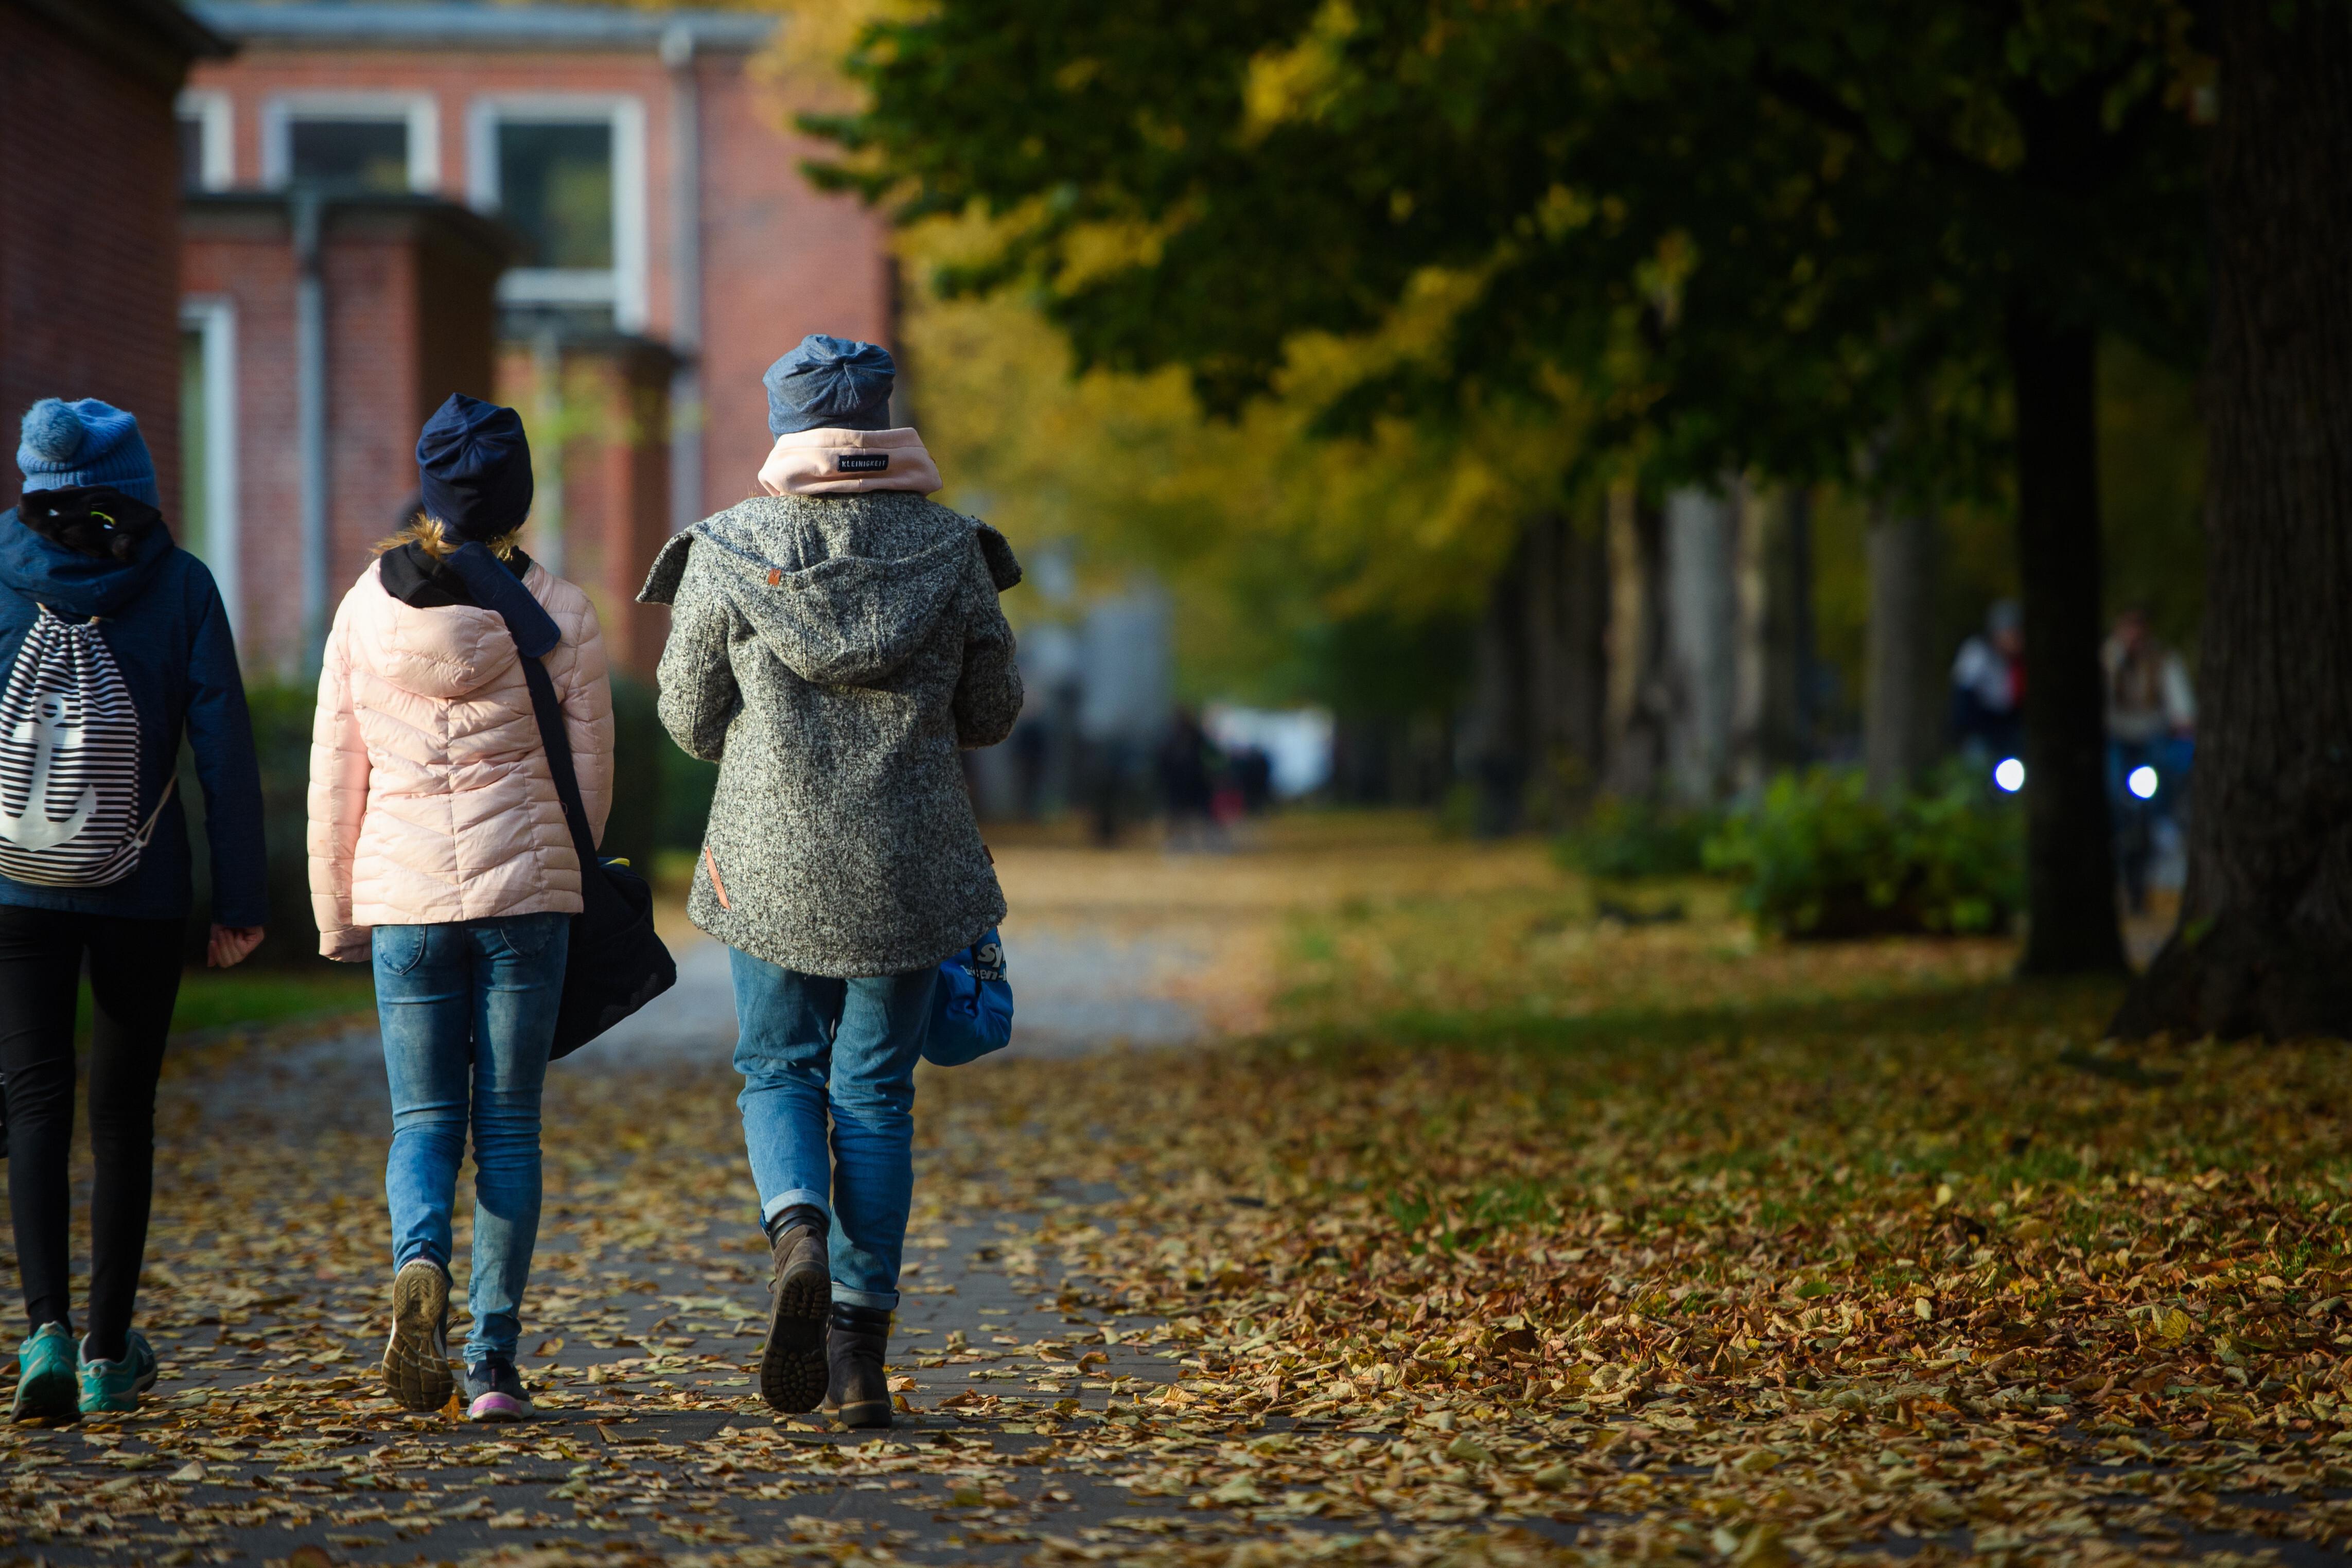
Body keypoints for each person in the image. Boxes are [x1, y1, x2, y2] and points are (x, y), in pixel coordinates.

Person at [639, 333, 1021, 1428]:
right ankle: (857, 1353)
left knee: (776, 1066)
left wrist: (756, 757)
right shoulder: (951, 552)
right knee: (876, 1093)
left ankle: (794, 1223)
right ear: (882, 417)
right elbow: (991, 714)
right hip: (909, 865)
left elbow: (685, 711)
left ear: (784, 423)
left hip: (767, 859)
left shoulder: (728, 547)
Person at [309, 394, 613, 1422]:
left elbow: (334, 776)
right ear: (518, 499)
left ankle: (418, 1261)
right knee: (510, 1121)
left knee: (423, 1117)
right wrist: (571, 879)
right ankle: (490, 1361)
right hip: (528, 898)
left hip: (406, 903)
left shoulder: (364, 608)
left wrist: (337, 911)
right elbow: (591, 781)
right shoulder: (560, 611)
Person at [0, 398, 267, 1421]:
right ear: (140, 486)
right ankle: (112, 1350)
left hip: (14, 887)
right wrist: (238, 897)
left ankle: (43, 1338)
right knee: (120, 1115)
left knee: (33, 1103)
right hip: (140, 887)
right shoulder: (181, 585)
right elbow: (225, 748)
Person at [2102, 607, 2196, 913]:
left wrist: (2182, 721)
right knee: (2113, 792)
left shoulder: (2164, 661)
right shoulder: (2106, 660)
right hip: (2117, 740)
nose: (2134, 638)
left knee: (2168, 777)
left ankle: (2164, 822)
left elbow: (2181, 707)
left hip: (2152, 740)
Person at [1950, 600, 2024, 761]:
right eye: (2011, 633)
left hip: (2009, 734)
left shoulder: (2018, 665)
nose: (2015, 640)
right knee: (1977, 759)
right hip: (1979, 732)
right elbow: (1963, 700)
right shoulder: (1977, 653)